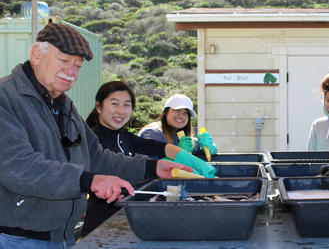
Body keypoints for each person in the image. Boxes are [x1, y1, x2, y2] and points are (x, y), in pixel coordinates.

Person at [0, 22, 194, 248]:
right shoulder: (6, 99)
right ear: (36, 54)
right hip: (17, 238)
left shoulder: (64, 105)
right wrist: (89, 181)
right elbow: (19, 167)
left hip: (62, 237)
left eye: (77, 66)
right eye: (64, 61)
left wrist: (151, 168)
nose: (71, 72)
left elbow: (96, 156)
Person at [81, 81, 216, 236]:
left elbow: (155, 147)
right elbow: (113, 167)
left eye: (126, 105)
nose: (121, 111)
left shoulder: (124, 135)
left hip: (129, 220)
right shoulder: (92, 139)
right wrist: (155, 167)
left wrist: (185, 157)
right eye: (114, 104)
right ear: (99, 107)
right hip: (102, 227)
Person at [139, 94, 217, 158]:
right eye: (177, 110)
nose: (181, 115)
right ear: (166, 112)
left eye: (186, 113)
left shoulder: (179, 136)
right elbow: (149, 166)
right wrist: (178, 153)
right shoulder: (152, 133)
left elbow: (196, 145)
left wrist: (209, 146)